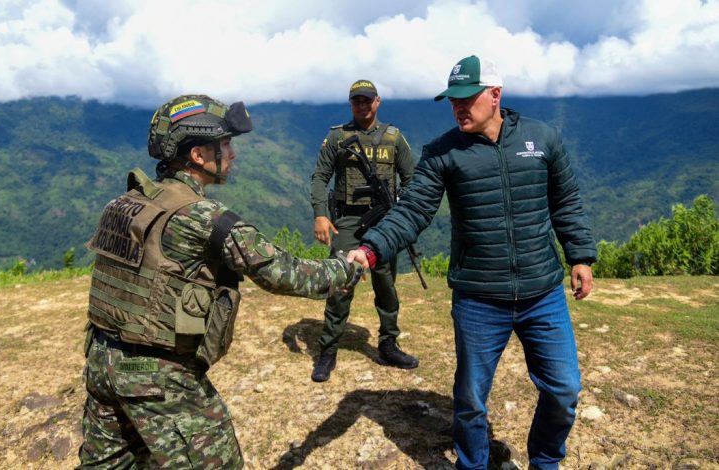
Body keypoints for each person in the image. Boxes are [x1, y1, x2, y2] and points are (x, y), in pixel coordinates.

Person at [78, 94, 363, 469]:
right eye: (225, 144)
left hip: (100, 363)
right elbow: (284, 273)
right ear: (198, 155)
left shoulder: (125, 202)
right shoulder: (204, 218)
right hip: (157, 378)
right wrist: (348, 266)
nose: (232, 154)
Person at [346, 56, 597, 469]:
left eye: (467, 98)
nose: (458, 107)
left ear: (495, 95)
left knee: (564, 390)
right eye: (452, 100)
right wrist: (370, 249)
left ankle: (546, 462)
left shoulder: (543, 138)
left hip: (543, 293)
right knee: (470, 401)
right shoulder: (443, 152)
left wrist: (581, 256)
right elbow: (412, 210)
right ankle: (473, 464)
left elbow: (565, 201)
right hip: (479, 298)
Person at [309, 79, 419, 382]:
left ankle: (388, 344)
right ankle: (328, 348)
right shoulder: (337, 137)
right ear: (350, 104)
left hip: (385, 220)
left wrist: (404, 219)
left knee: (386, 283)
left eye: (367, 100)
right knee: (341, 283)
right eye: (356, 100)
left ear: (378, 101)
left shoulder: (394, 138)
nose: (362, 105)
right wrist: (320, 215)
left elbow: (412, 180)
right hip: (347, 220)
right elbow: (320, 177)